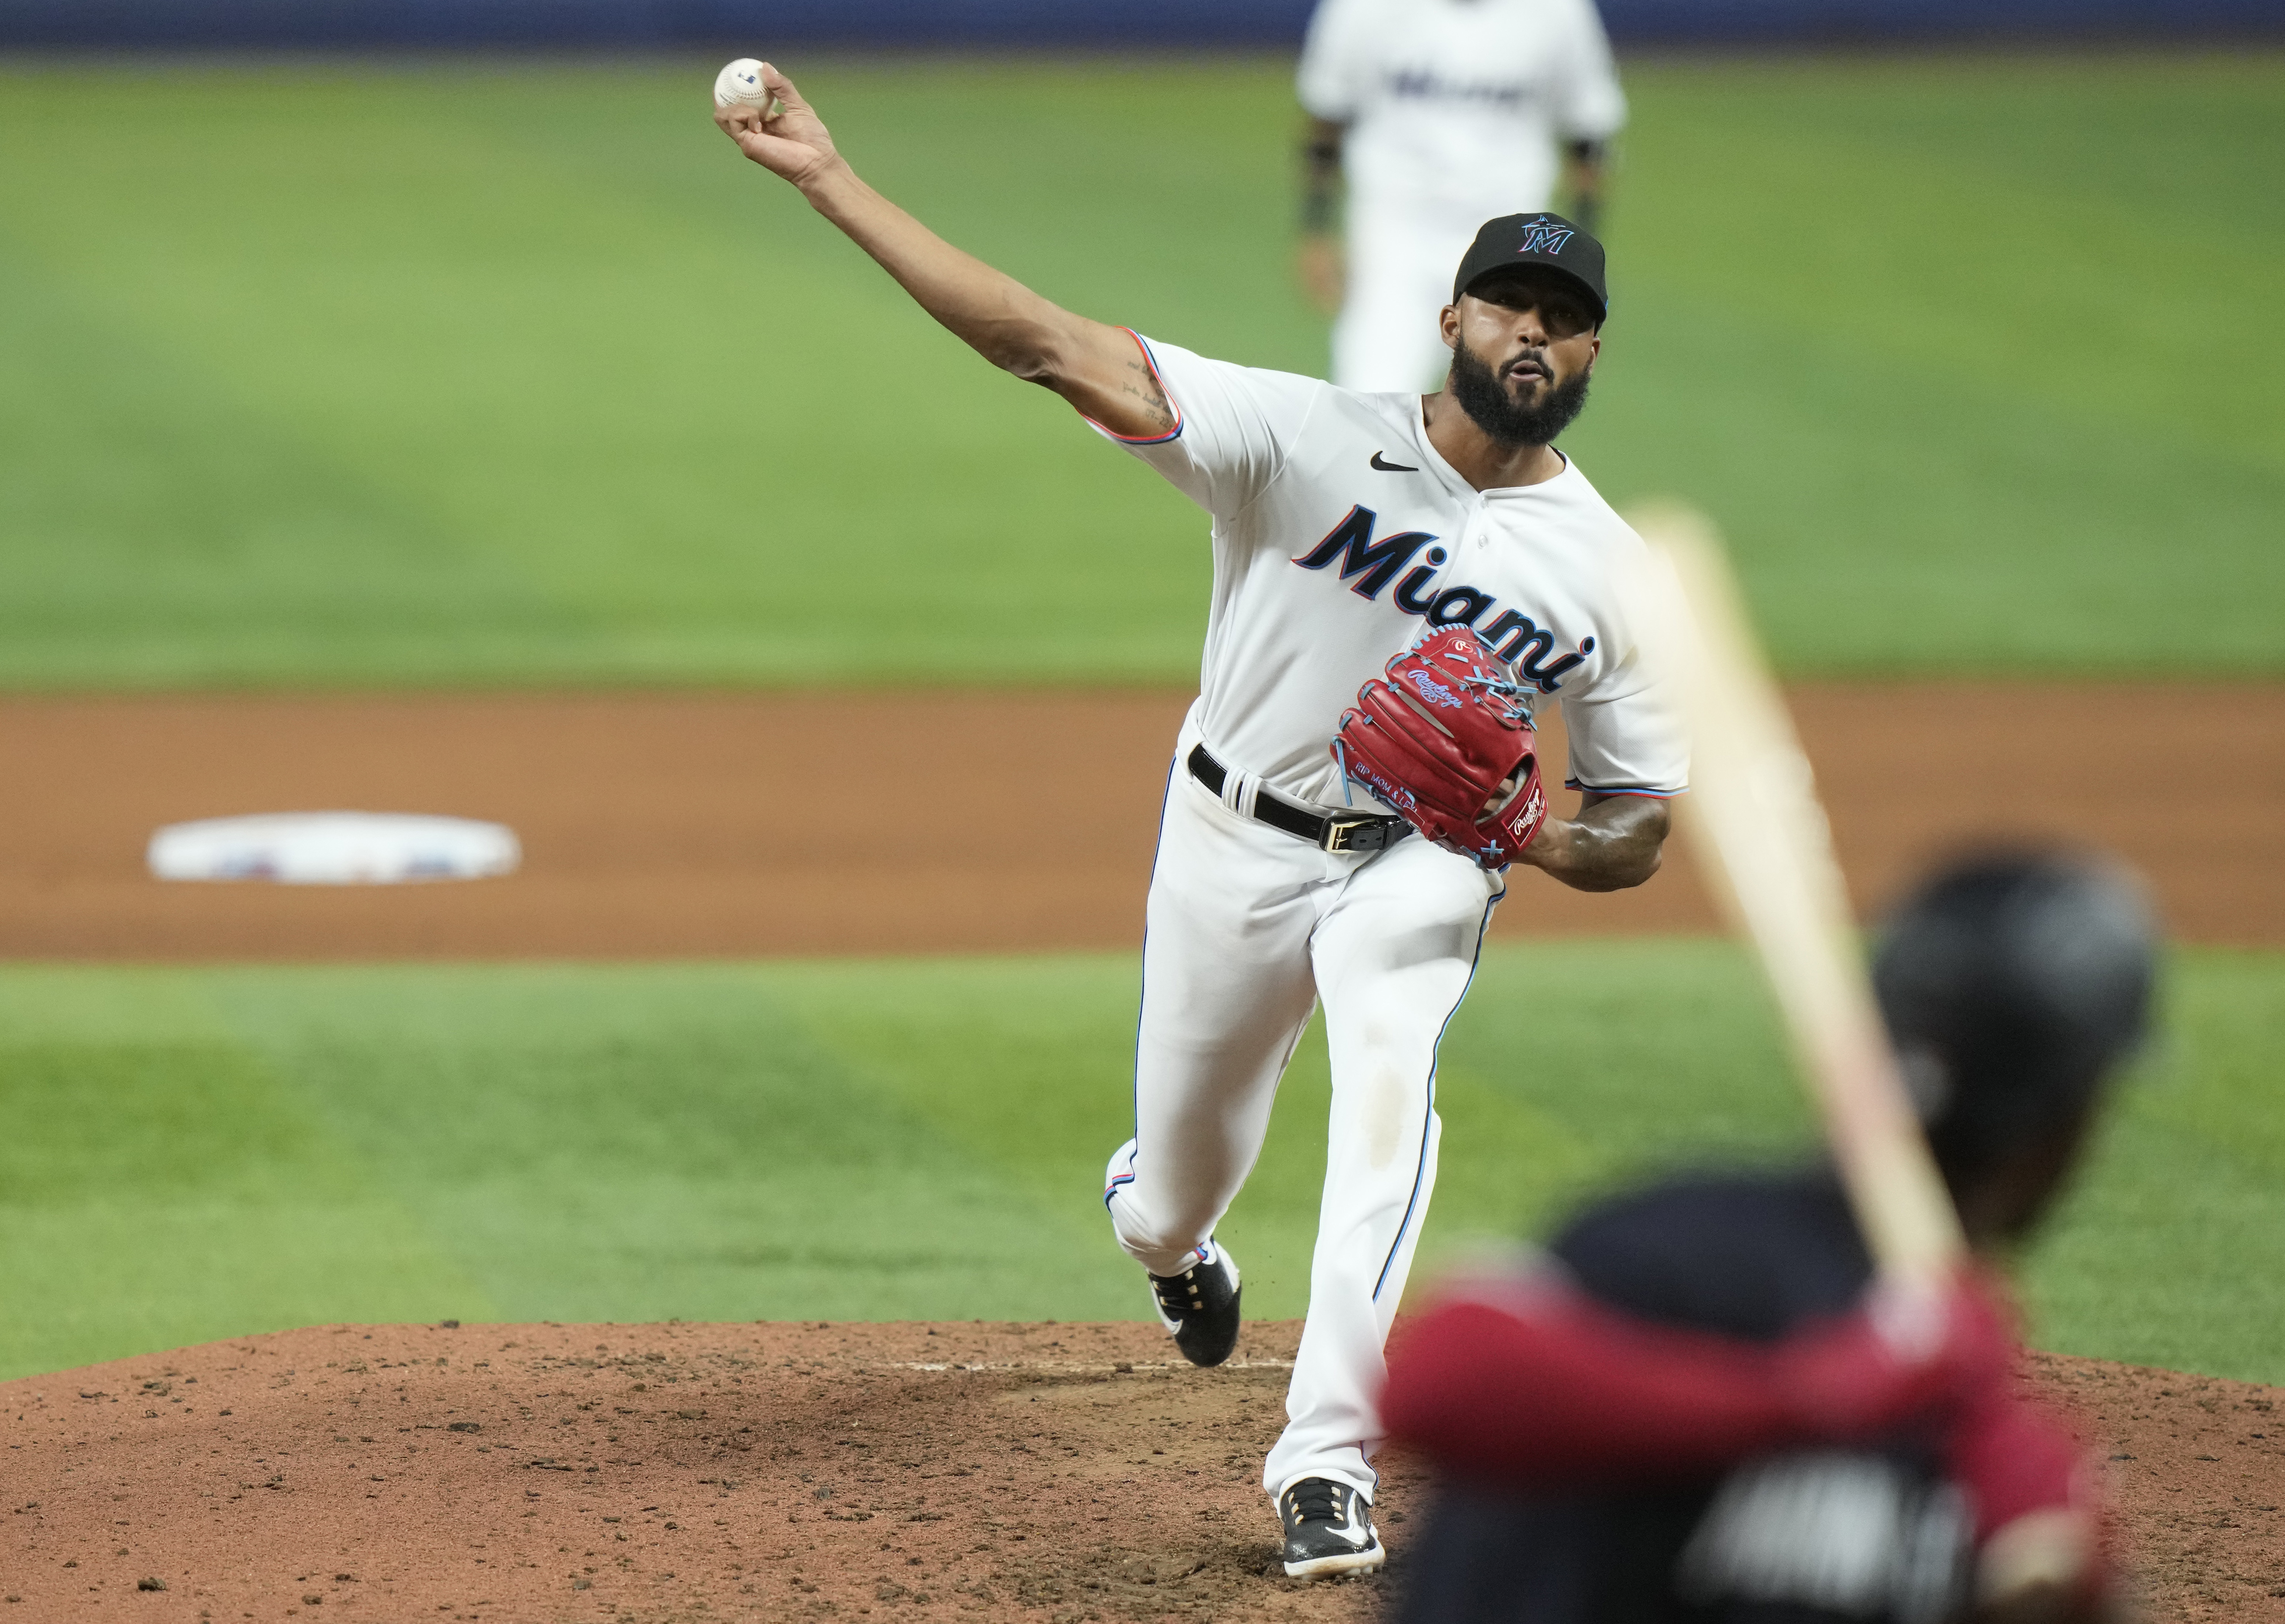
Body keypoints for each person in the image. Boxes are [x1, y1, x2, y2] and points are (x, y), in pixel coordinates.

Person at [713, 66, 1683, 1579]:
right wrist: (827, 180)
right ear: (1450, 322)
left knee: (1388, 1087)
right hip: (1229, 842)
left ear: (1591, 350)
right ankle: (1168, 1246)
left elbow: (1636, 820)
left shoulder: (1609, 573)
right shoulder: (1298, 437)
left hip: (1419, 870)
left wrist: (1532, 833)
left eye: (1558, 316)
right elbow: (1036, 342)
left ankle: (1324, 1458)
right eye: (1504, 305)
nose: (1530, 333)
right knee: (1173, 1186)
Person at [1382, 851, 2158, 1622]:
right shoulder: (1690, 1255)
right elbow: (1441, 1374)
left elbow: (2040, 1563)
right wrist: (1810, 1396)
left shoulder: (1960, 1397)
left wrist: (2048, 1567)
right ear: (2059, 1129)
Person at [1296, 0, 1629, 392]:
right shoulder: (1364, 8)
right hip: (1395, 234)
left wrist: (1578, 261)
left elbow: (1588, 138)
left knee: (1506, 406)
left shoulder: (1557, 11)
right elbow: (1326, 120)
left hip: (1511, 242)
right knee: (1371, 396)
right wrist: (1315, 232)